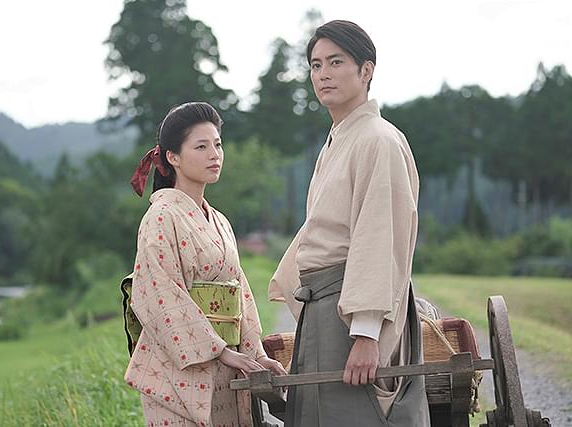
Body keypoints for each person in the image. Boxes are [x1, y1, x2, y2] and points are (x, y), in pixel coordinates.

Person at [268, 20, 431, 426]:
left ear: (366, 70)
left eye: (336, 62)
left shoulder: (378, 139)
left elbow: (379, 236)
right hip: (327, 310)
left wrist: (366, 333)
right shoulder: (340, 137)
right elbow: (321, 229)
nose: (323, 74)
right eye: (316, 65)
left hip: (351, 315)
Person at [124, 102, 286, 427]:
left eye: (218, 144)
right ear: (173, 157)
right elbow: (159, 295)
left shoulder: (220, 221)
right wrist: (220, 350)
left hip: (226, 365)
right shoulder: (161, 217)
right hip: (179, 371)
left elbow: (241, 295)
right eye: (201, 147)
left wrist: (256, 355)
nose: (215, 154)